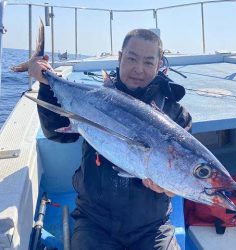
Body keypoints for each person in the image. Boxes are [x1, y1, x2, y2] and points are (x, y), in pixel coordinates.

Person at [29, 29, 192, 250]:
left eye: (148, 62)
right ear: (120, 57)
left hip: (151, 227)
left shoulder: (175, 117)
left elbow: (182, 180)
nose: (138, 69)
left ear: (158, 64)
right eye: (131, 58)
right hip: (94, 223)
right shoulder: (94, 100)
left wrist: (168, 188)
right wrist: (46, 84)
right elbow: (56, 132)